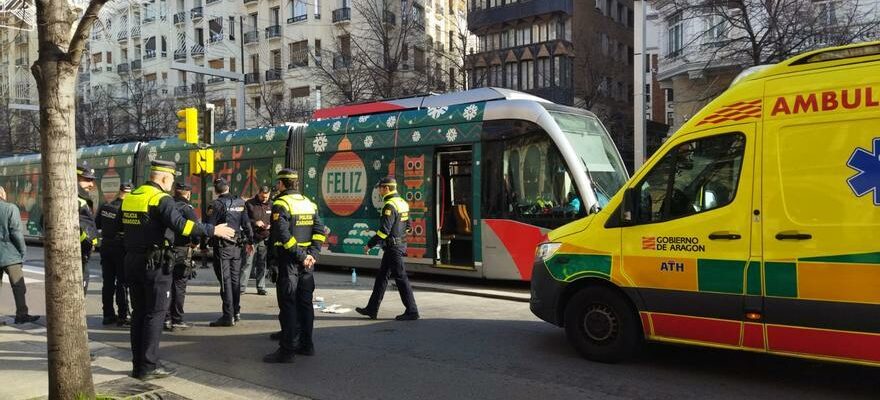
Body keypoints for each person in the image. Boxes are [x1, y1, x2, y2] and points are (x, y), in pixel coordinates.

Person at [122, 160, 234, 380]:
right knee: (155, 314)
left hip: (132, 260)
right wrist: (213, 230)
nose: (172, 184)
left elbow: (120, 228)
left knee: (138, 314)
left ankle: (139, 364)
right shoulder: (160, 199)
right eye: (172, 179)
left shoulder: (132, 197)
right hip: (155, 264)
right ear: (164, 178)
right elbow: (183, 225)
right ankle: (149, 367)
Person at [263, 168, 325, 363]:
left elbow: (282, 234)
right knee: (305, 304)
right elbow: (319, 231)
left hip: (290, 261)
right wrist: (312, 254)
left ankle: (287, 350)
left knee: (288, 303)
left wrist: (299, 256)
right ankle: (307, 345)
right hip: (307, 262)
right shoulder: (309, 203)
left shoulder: (281, 203)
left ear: (281, 184)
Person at [356, 177, 420, 321]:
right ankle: (372, 309)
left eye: (380, 188)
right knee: (382, 277)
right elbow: (409, 226)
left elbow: (384, 231)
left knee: (401, 277)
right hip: (398, 244)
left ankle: (412, 310)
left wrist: (369, 244)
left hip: (393, 247)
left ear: (386, 188)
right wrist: (400, 237)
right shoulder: (402, 202)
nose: (379, 190)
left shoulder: (389, 205)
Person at [205, 177, 253, 327]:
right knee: (235, 280)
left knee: (225, 282)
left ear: (216, 190)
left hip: (222, 246)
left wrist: (203, 244)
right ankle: (236, 312)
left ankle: (228, 315)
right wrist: (250, 242)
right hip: (238, 246)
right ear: (228, 187)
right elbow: (246, 224)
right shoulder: (240, 202)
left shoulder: (216, 205)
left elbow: (209, 227)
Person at [0, 186, 39, 324]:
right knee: (18, 286)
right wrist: (23, 251)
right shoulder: (10, 208)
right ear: (2, 194)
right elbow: (16, 232)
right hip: (10, 255)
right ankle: (21, 314)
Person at [164, 182, 199, 332]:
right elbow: (195, 229)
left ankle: (165, 319)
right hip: (181, 250)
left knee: (165, 285)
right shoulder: (187, 209)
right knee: (179, 286)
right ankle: (176, 319)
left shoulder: (167, 205)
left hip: (165, 250)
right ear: (188, 193)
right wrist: (195, 243)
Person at [97, 182, 133, 326]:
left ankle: (107, 314)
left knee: (108, 282)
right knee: (122, 282)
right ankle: (123, 315)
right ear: (129, 193)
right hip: (120, 247)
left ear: (120, 191)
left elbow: (98, 224)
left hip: (105, 246)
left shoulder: (105, 206)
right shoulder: (127, 209)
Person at [242, 185, 272, 296]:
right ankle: (242, 287)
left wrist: (270, 225)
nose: (264, 199)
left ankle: (261, 287)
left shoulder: (271, 204)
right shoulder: (249, 203)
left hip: (265, 237)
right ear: (258, 193)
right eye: (262, 197)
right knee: (247, 262)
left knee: (262, 263)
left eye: (266, 197)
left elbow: (275, 219)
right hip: (252, 237)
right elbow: (244, 220)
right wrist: (255, 222)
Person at [77, 163, 99, 294]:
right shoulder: (75, 200)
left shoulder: (81, 199)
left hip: (82, 255)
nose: (91, 184)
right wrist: (87, 242)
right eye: (87, 179)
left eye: (92, 180)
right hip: (79, 255)